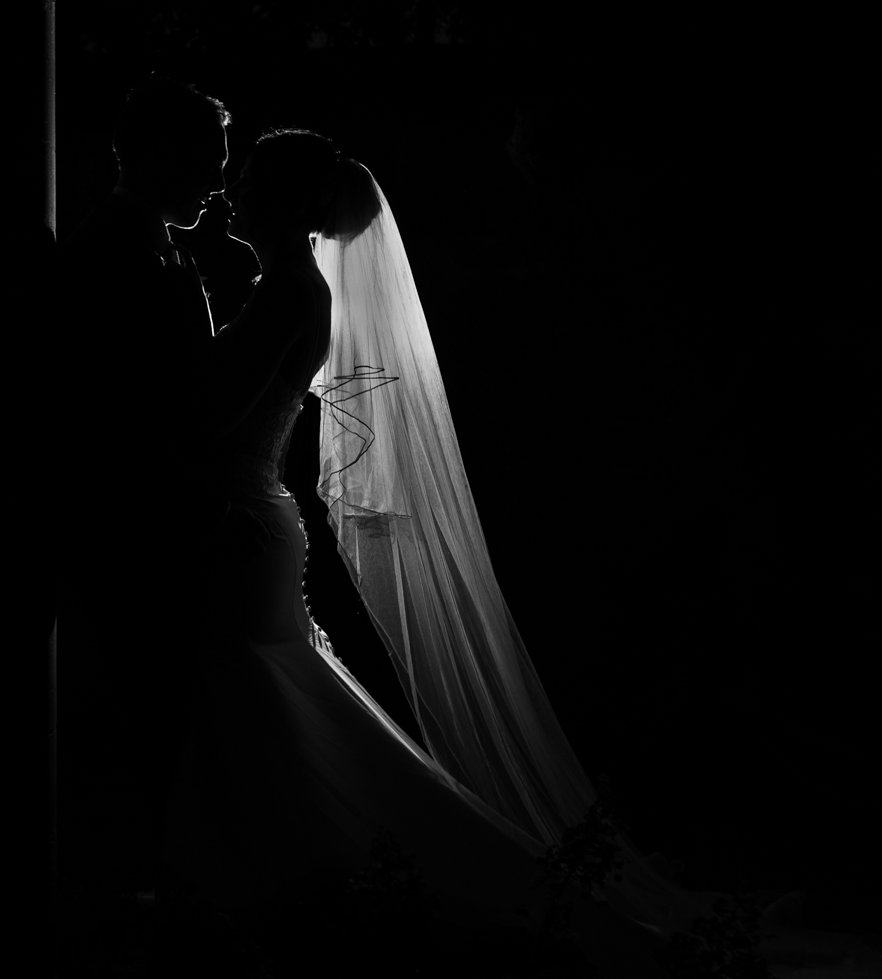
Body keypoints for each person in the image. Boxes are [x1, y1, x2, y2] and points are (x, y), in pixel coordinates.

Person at [160, 128, 689, 975]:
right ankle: (302, 894)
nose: (230, 190)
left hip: (241, 530)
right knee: (279, 720)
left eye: (250, 178)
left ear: (294, 206)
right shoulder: (285, 289)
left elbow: (202, 424)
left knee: (265, 714)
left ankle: (361, 896)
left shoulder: (289, 295)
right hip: (247, 523)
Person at [53, 77, 230, 911]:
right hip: (130, 545)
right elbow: (100, 418)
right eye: (208, 160)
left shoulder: (164, 247)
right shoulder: (100, 257)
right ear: (157, 155)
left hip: (170, 536)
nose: (219, 181)